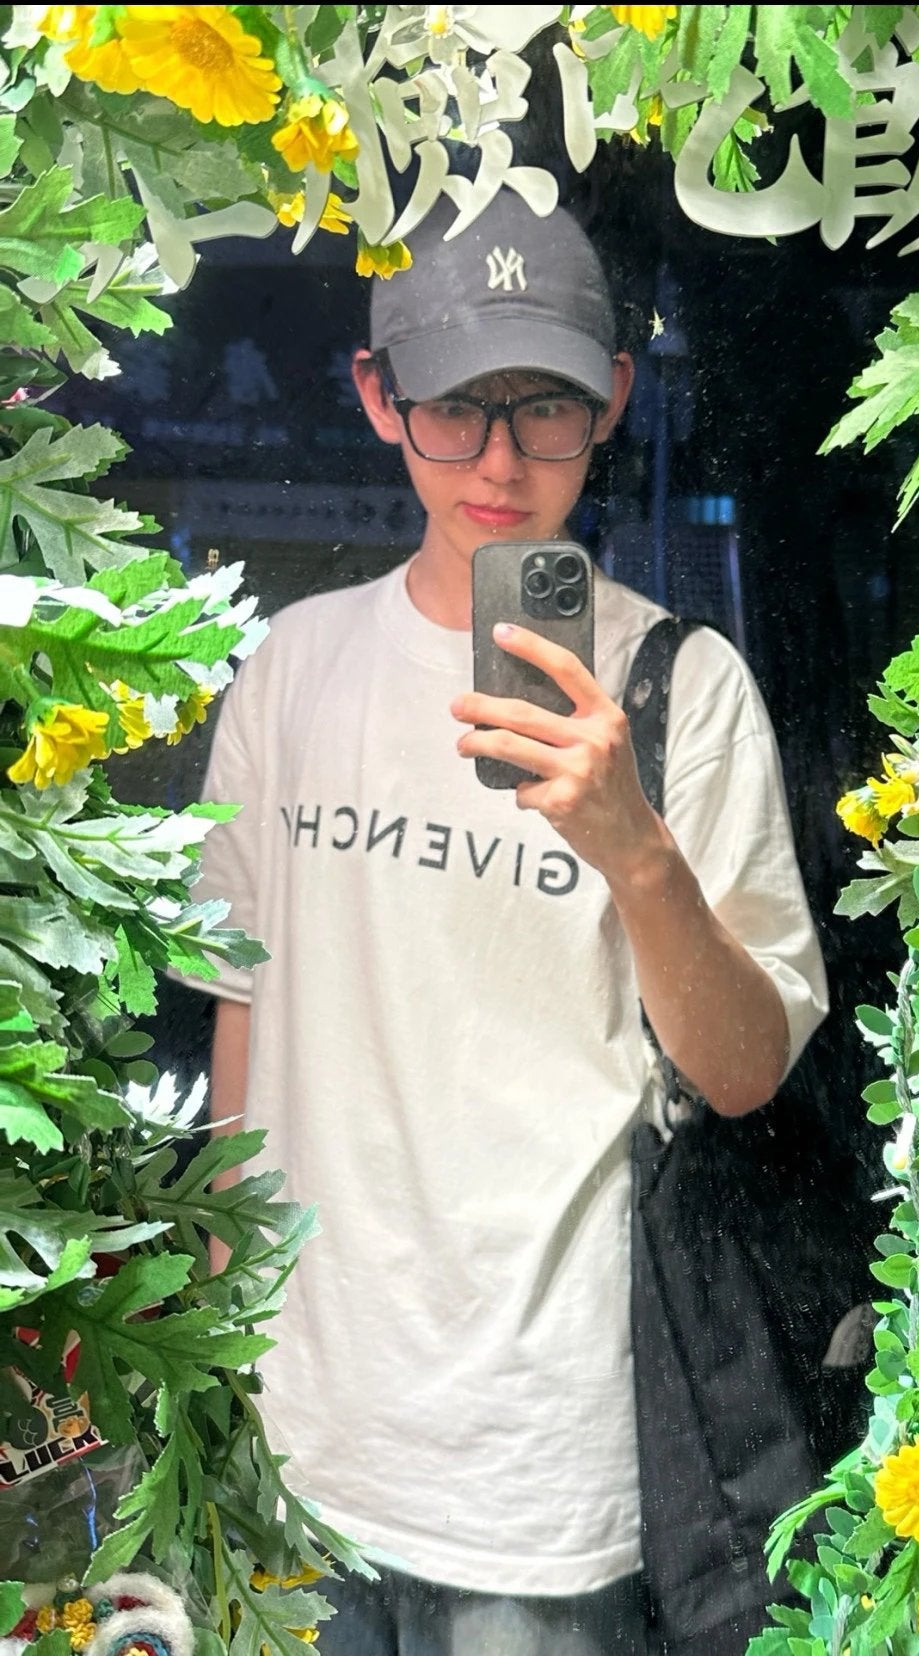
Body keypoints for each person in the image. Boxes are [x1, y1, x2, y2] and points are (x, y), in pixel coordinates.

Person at [196, 187, 828, 1655]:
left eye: (542, 408)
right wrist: (217, 1346)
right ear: (378, 398)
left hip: (536, 1465)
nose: (498, 461)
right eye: (455, 409)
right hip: (295, 1427)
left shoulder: (682, 690)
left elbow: (743, 1071)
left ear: (612, 401)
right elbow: (244, 1016)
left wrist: (636, 852)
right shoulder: (292, 671)